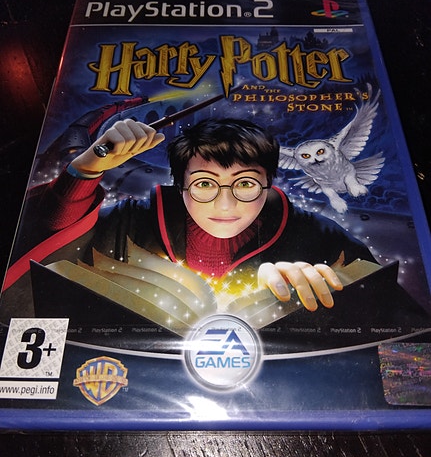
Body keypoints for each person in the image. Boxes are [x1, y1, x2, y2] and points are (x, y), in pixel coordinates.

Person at [32, 116, 376, 313]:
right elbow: (45, 241)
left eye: (245, 184)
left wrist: (331, 283)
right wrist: (84, 170)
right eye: (204, 184)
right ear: (179, 185)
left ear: (269, 184)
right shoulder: (133, 221)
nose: (225, 205)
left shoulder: (317, 235)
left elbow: (379, 300)